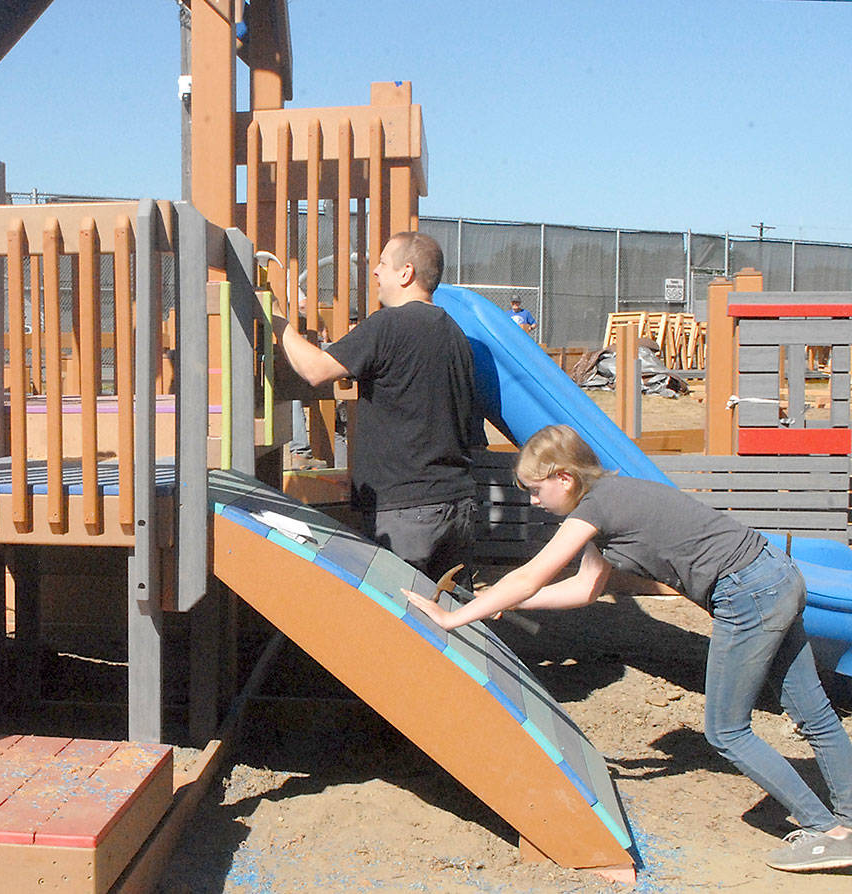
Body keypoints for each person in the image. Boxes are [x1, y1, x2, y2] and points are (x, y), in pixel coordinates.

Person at [405, 424, 852, 874]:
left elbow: (532, 573)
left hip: (745, 594)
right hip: (776, 574)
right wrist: (509, 601)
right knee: (814, 715)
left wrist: (454, 617)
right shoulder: (612, 498)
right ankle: (849, 821)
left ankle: (824, 832)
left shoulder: (595, 510)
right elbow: (584, 589)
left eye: (536, 490)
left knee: (727, 732)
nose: (534, 501)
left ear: (564, 478)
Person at [270, 231, 481, 585]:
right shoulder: (456, 335)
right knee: (448, 623)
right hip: (457, 503)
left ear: (406, 272)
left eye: (383, 263)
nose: (376, 273)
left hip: (407, 512)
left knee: (397, 626)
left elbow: (316, 370)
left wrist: (276, 319)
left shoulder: (389, 324)